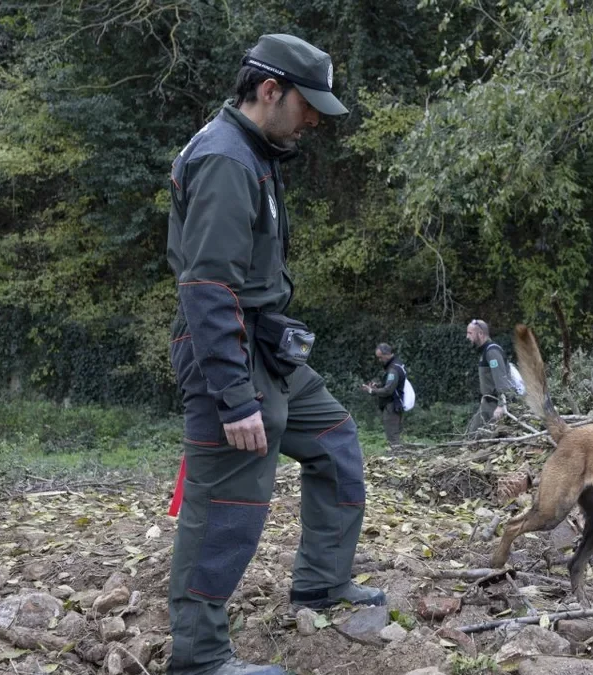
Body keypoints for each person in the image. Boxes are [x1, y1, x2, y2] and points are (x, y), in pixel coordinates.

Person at [165, 34, 383, 675]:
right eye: (307, 104)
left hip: (266, 347)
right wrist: (234, 397)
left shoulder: (256, 153)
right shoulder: (227, 161)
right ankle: (200, 658)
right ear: (270, 91)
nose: (314, 118)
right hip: (227, 354)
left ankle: (321, 583)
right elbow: (207, 287)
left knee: (337, 444)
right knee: (227, 505)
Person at [464, 319, 516, 436]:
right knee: (472, 435)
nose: (467, 336)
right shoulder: (485, 352)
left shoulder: (492, 352)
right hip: (487, 403)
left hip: (495, 404)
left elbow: (501, 378)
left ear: (481, 334)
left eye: (470, 333)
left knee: (480, 436)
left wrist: (501, 405)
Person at [362, 343, 406, 448]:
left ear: (387, 355)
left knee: (392, 436)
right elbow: (392, 385)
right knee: (393, 434)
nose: (379, 360)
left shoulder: (393, 369)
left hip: (392, 405)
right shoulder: (397, 364)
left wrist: (372, 391)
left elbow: (388, 390)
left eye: (380, 357)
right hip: (394, 404)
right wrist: (377, 385)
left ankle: (397, 458)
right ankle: (398, 456)